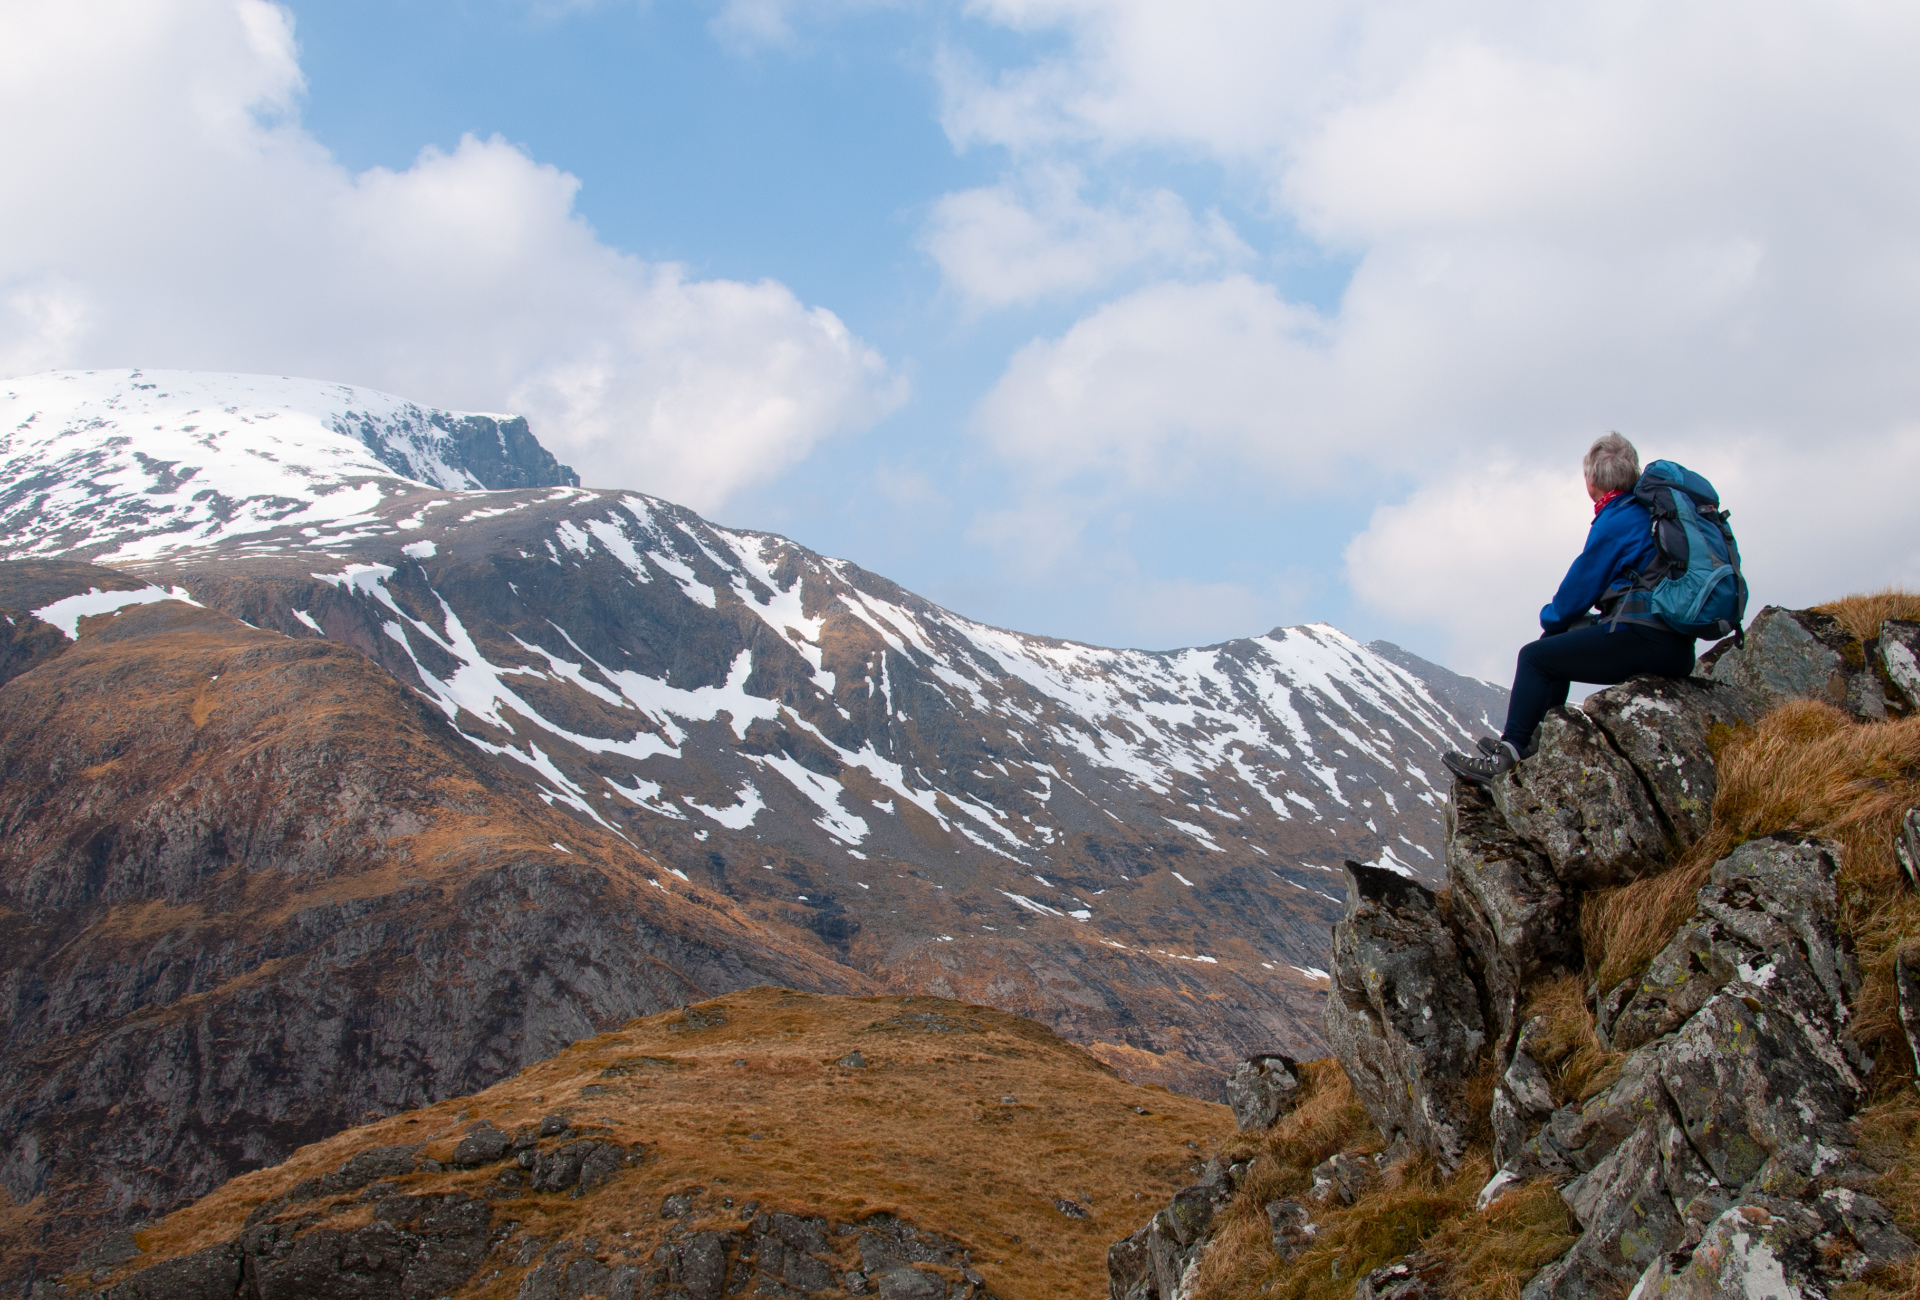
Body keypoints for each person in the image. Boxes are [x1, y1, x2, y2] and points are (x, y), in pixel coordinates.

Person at [1442, 432, 1696, 785]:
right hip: (1676, 646)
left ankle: (1509, 753)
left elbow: (1573, 597)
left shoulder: (1616, 520)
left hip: (1644, 639)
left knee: (1535, 656)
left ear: (1591, 481)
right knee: (1561, 639)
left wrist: (1550, 617)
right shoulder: (1650, 513)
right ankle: (1531, 743)